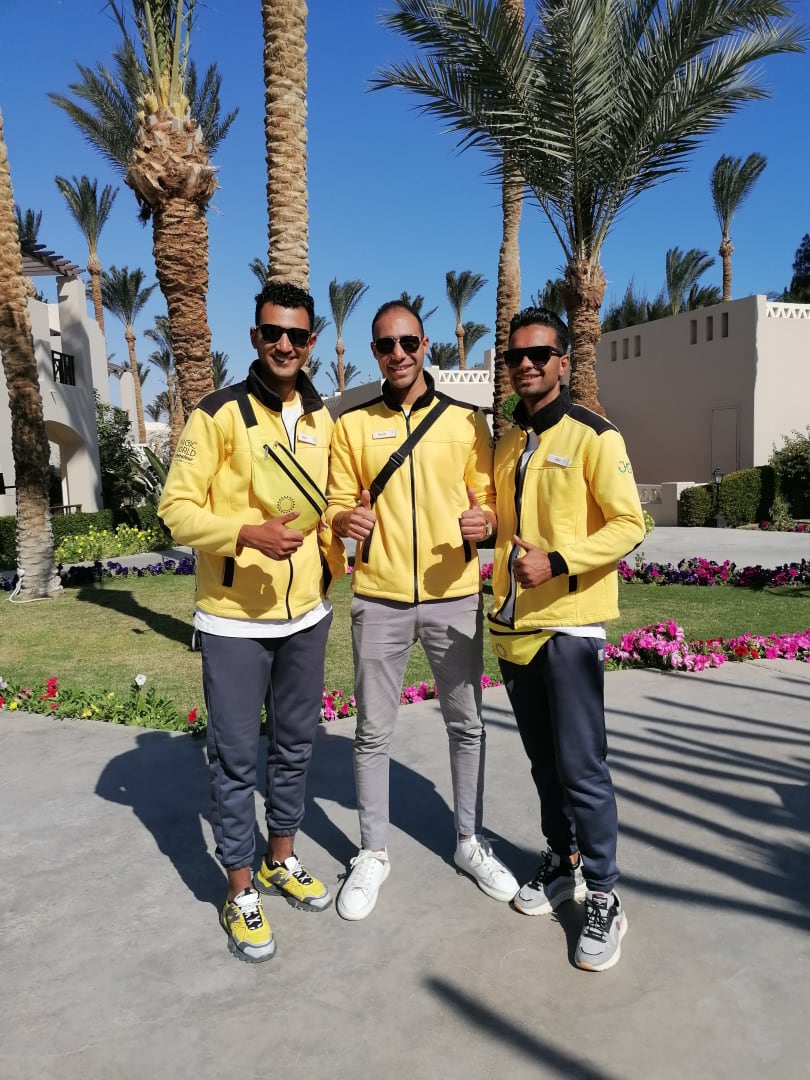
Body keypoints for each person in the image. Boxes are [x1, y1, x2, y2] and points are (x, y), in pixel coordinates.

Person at [159, 281, 345, 963]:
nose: (284, 345)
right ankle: (240, 889)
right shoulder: (216, 415)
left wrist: (341, 532)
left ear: (312, 342)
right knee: (236, 761)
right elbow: (176, 510)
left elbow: (329, 504)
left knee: (295, 746)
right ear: (255, 337)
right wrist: (244, 535)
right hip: (235, 620)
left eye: (296, 335)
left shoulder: (322, 418)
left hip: (306, 616)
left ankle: (280, 857)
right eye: (273, 333)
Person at [326, 298, 518, 921]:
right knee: (371, 732)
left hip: (453, 597)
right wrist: (344, 519)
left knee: (467, 725)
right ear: (374, 353)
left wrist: (484, 522)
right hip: (378, 598)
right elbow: (334, 502)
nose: (399, 354)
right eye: (386, 345)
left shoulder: (465, 422)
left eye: (408, 342)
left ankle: (469, 841)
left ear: (425, 344)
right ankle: (373, 852)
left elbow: (489, 502)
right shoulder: (352, 425)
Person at [488, 306, 645, 972]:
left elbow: (629, 525)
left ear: (562, 360)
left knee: (582, 767)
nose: (525, 365)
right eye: (515, 356)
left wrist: (556, 562)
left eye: (538, 354)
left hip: (570, 625)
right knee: (544, 763)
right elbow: (501, 524)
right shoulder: (506, 442)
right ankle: (563, 859)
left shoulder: (594, 436)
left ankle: (605, 894)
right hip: (514, 624)